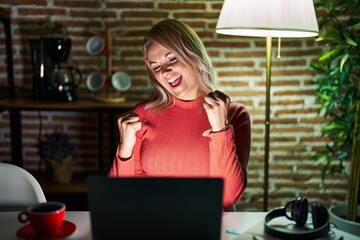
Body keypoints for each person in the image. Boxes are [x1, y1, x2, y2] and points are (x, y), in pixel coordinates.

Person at [109, 19, 251, 210]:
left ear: (193, 54)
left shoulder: (234, 114)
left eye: (172, 58)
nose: (165, 71)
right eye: (156, 67)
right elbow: (120, 195)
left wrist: (220, 130)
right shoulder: (142, 114)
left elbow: (226, 198)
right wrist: (124, 149)